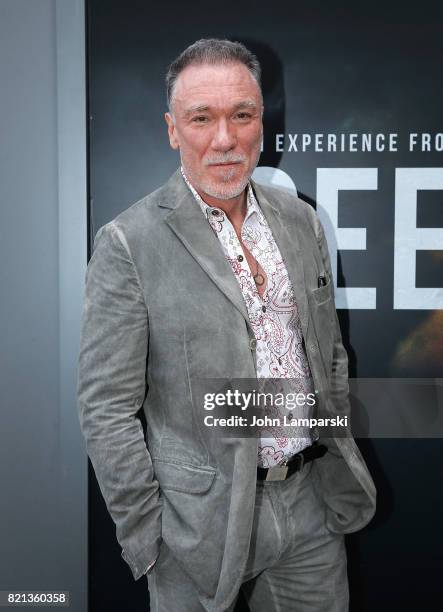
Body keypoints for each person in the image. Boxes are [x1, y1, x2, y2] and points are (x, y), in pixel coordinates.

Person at [77, 38, 376, 612]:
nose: (224, 138)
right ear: (172, 129)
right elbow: (106, 407)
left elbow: (329, 353)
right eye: (201, 118)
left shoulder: (301, 220)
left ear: (262, 122)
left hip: (310, 507)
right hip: (197, 527)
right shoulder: (128, 243)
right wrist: (149, 535)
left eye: (242, 115)